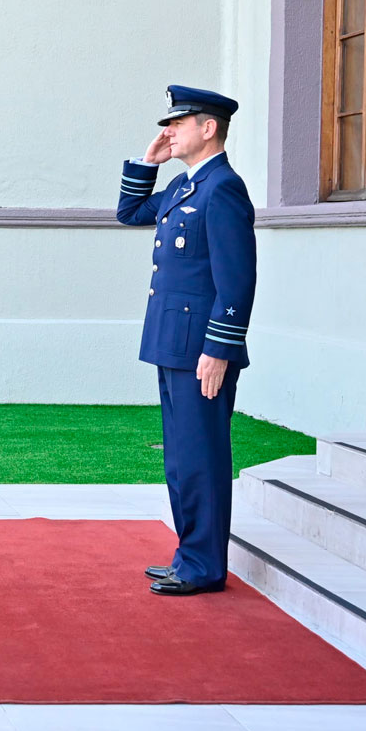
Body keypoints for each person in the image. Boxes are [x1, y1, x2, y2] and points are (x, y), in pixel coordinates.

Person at [117, 85, 257, 596]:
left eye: (178, 123)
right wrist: (147, 163)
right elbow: (130, 212)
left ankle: (204, 566)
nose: (169, 132)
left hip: (201, 348)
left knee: (202, 457)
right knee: (180, 458)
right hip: (172, 342)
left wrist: (219, 350)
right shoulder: (185, 185)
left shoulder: (223, 188)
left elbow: (237, 280)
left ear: (209, 128)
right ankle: (189, 555)